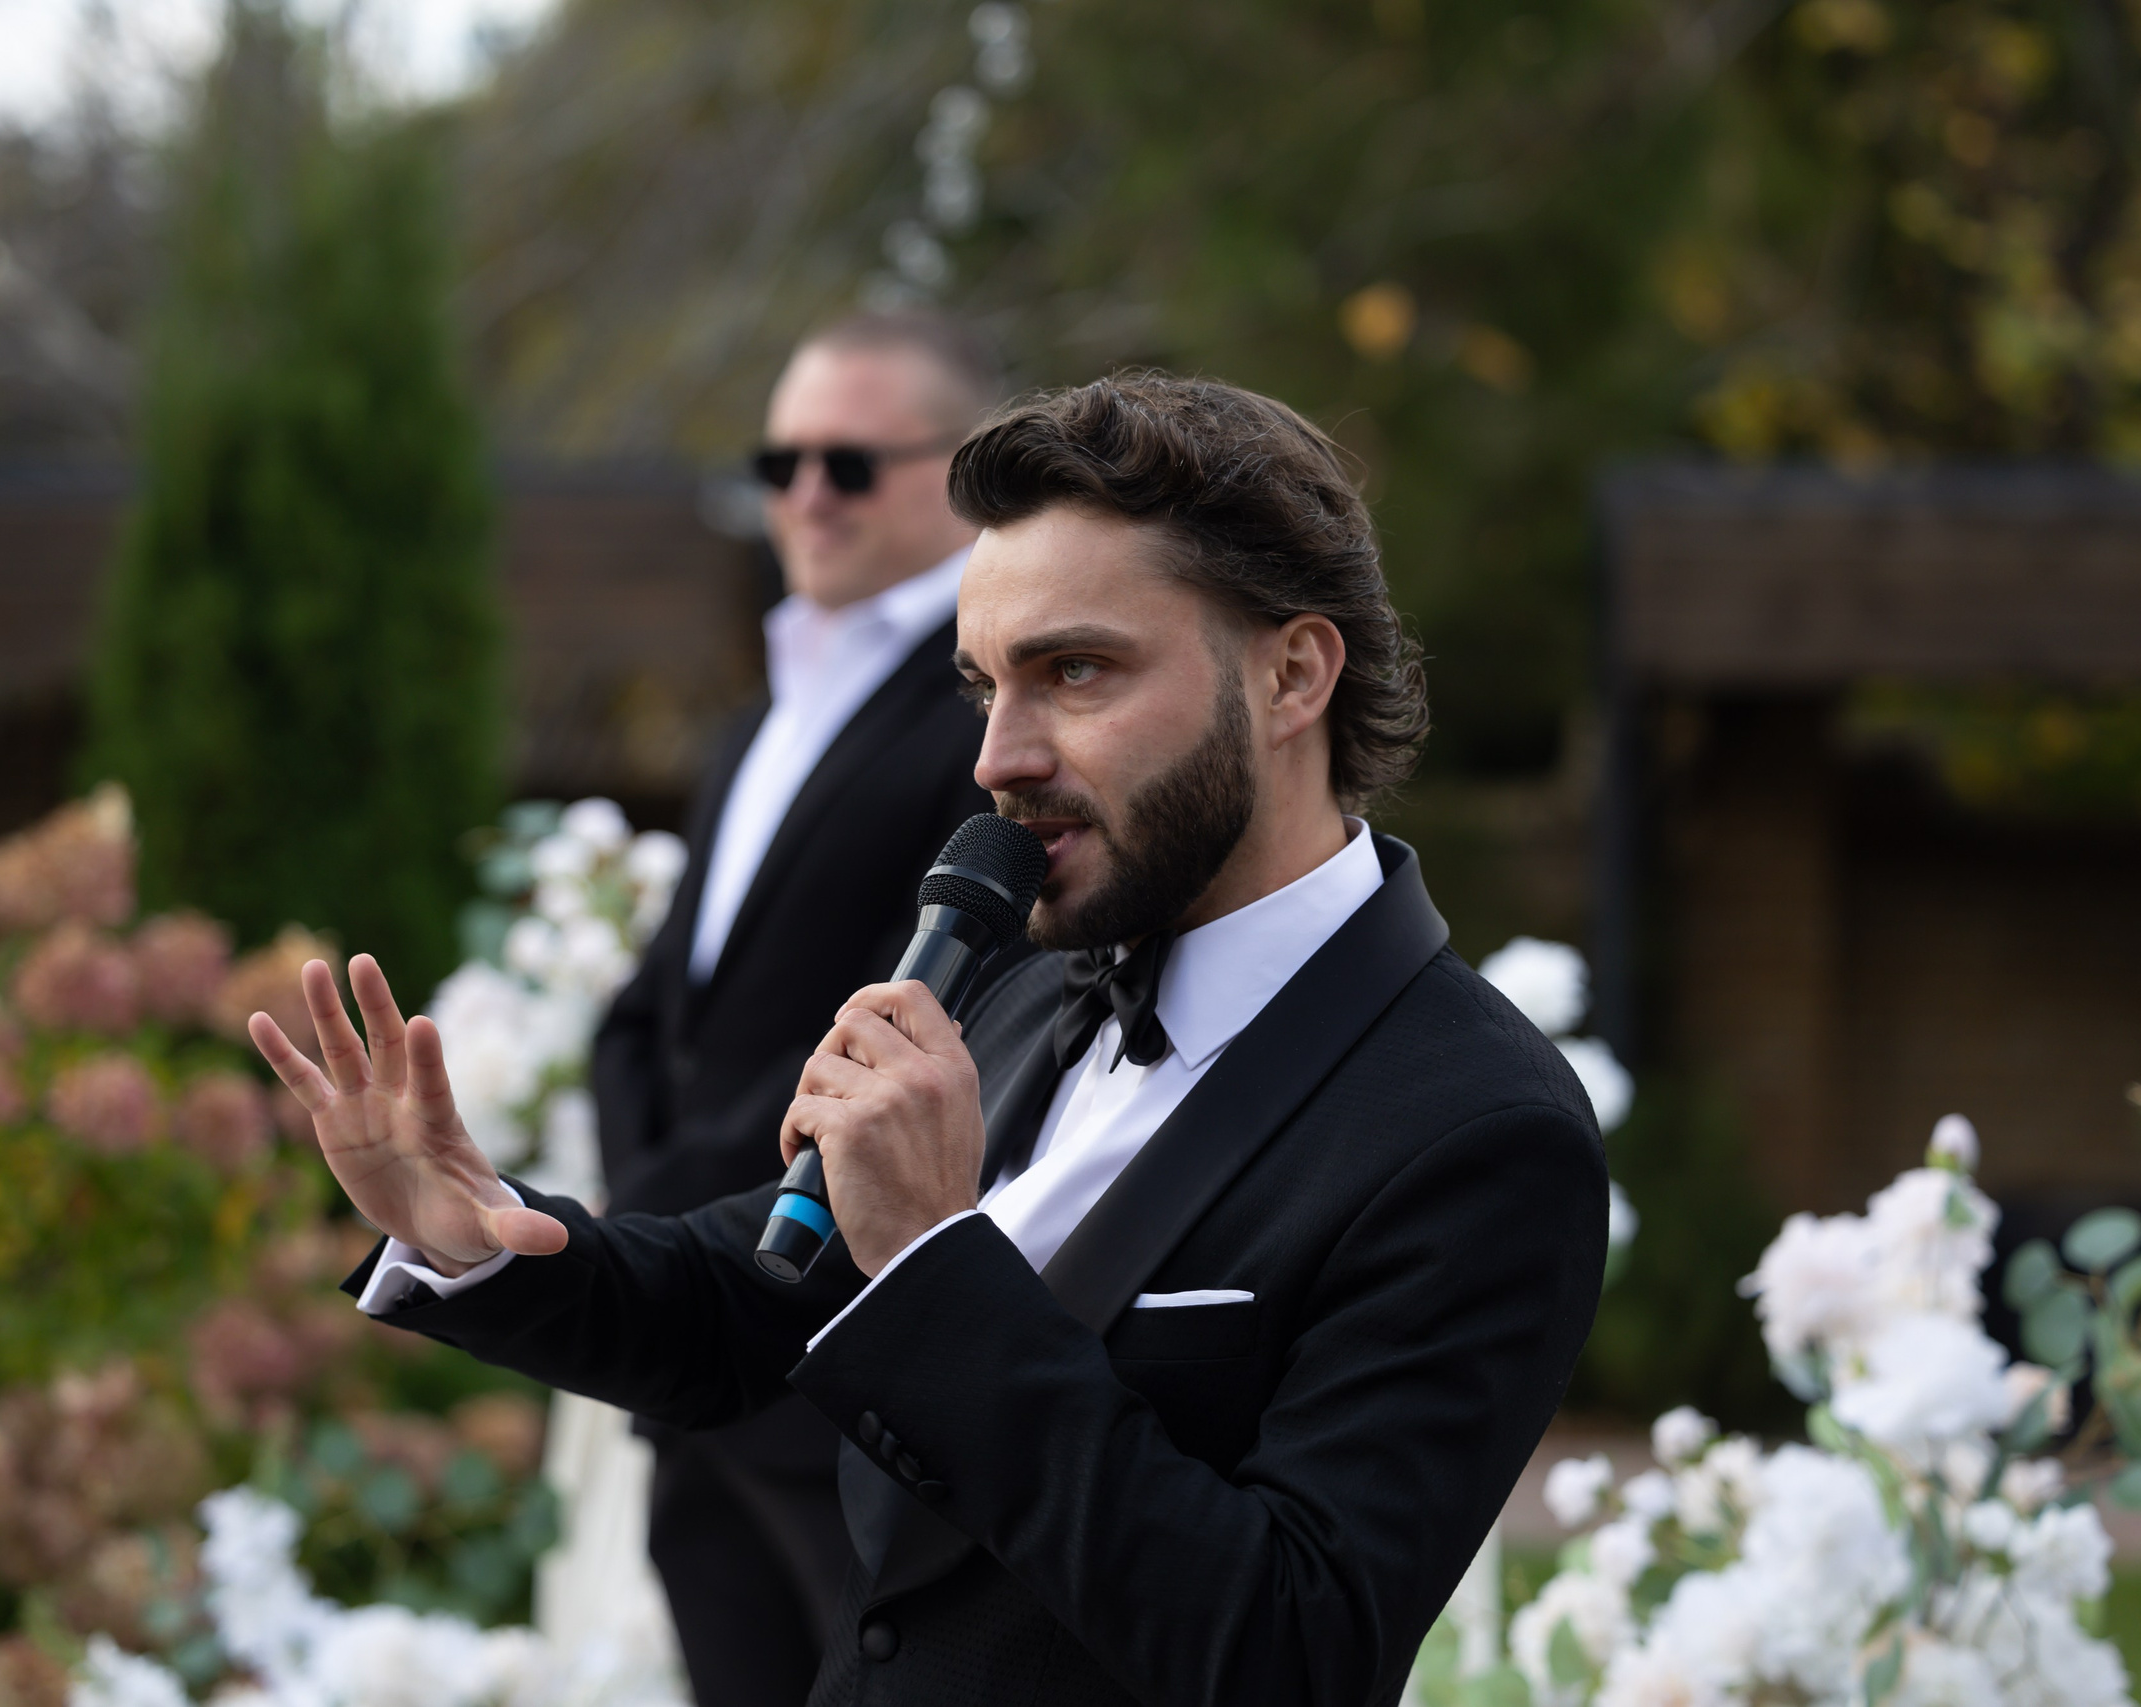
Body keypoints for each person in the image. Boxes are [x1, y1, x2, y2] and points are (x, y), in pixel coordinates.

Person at [253, 372, 1609, 1707]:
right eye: (982, 688)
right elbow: (750, 1300)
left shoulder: (1480, 1128)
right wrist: (469, 1236)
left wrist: (932, 1259)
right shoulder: (1024, 984)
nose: (999, 757)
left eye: (1074, 670)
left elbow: (1287, 1648)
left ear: (1294, 673)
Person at [586, 312, 1008, 1702]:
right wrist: (644, 1242)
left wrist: (667, 1235)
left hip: (832, 1370)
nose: (806, 494)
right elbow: (658, 1008)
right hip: (698, 1368)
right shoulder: (767, 705)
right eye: (780, 462)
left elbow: (920, 1011)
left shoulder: (986, 714)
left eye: (848, 461)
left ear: (958, 469)